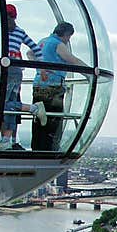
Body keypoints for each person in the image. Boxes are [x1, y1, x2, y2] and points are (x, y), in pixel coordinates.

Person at [0, 4, 46, 150]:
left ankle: (33, 108)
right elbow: (35, 48)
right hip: (15, 71)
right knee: (9, 104)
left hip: (5, 70)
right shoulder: (20, 32)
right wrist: (42, 67)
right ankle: (7, 139)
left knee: (4, 104)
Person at [31, 21, 85, 151]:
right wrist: (90, 71)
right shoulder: (58, 44)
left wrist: (41, 68)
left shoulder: (43, 42)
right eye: (69, 37)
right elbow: (72, 60)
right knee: (53, 120)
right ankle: (48, 149)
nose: (68, 40)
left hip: (38, 85)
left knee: (39, 118)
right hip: (53, 87)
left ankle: (37, 148)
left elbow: (30, 53)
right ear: (66, 34)